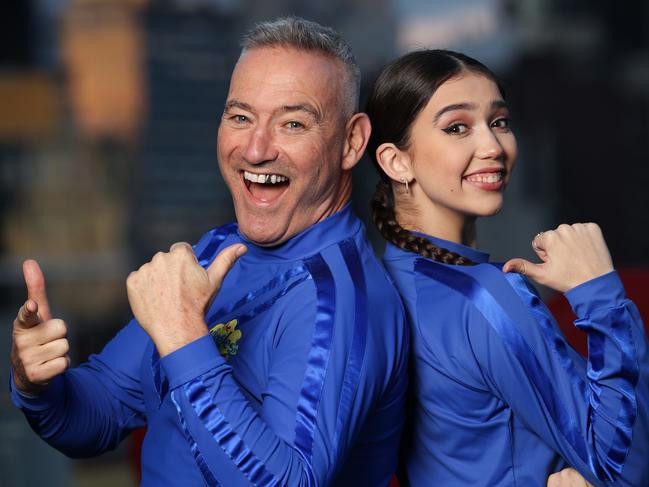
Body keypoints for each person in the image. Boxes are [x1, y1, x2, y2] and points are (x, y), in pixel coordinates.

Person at [10, 17, 409, 486]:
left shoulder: (342, 299)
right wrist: (37, 386)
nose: (256, 148)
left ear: (351, 142)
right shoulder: (218, 250)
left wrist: (182, 336)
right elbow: (98, 412)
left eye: (293, 123)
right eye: (240, 117)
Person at [365, 49, 649, 486]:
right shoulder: (486, 298)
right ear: (395, 160)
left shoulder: (382, 282)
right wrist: (599, 292)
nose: (493, 146)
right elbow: (625, 467)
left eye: (499, 122)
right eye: (457, 127)